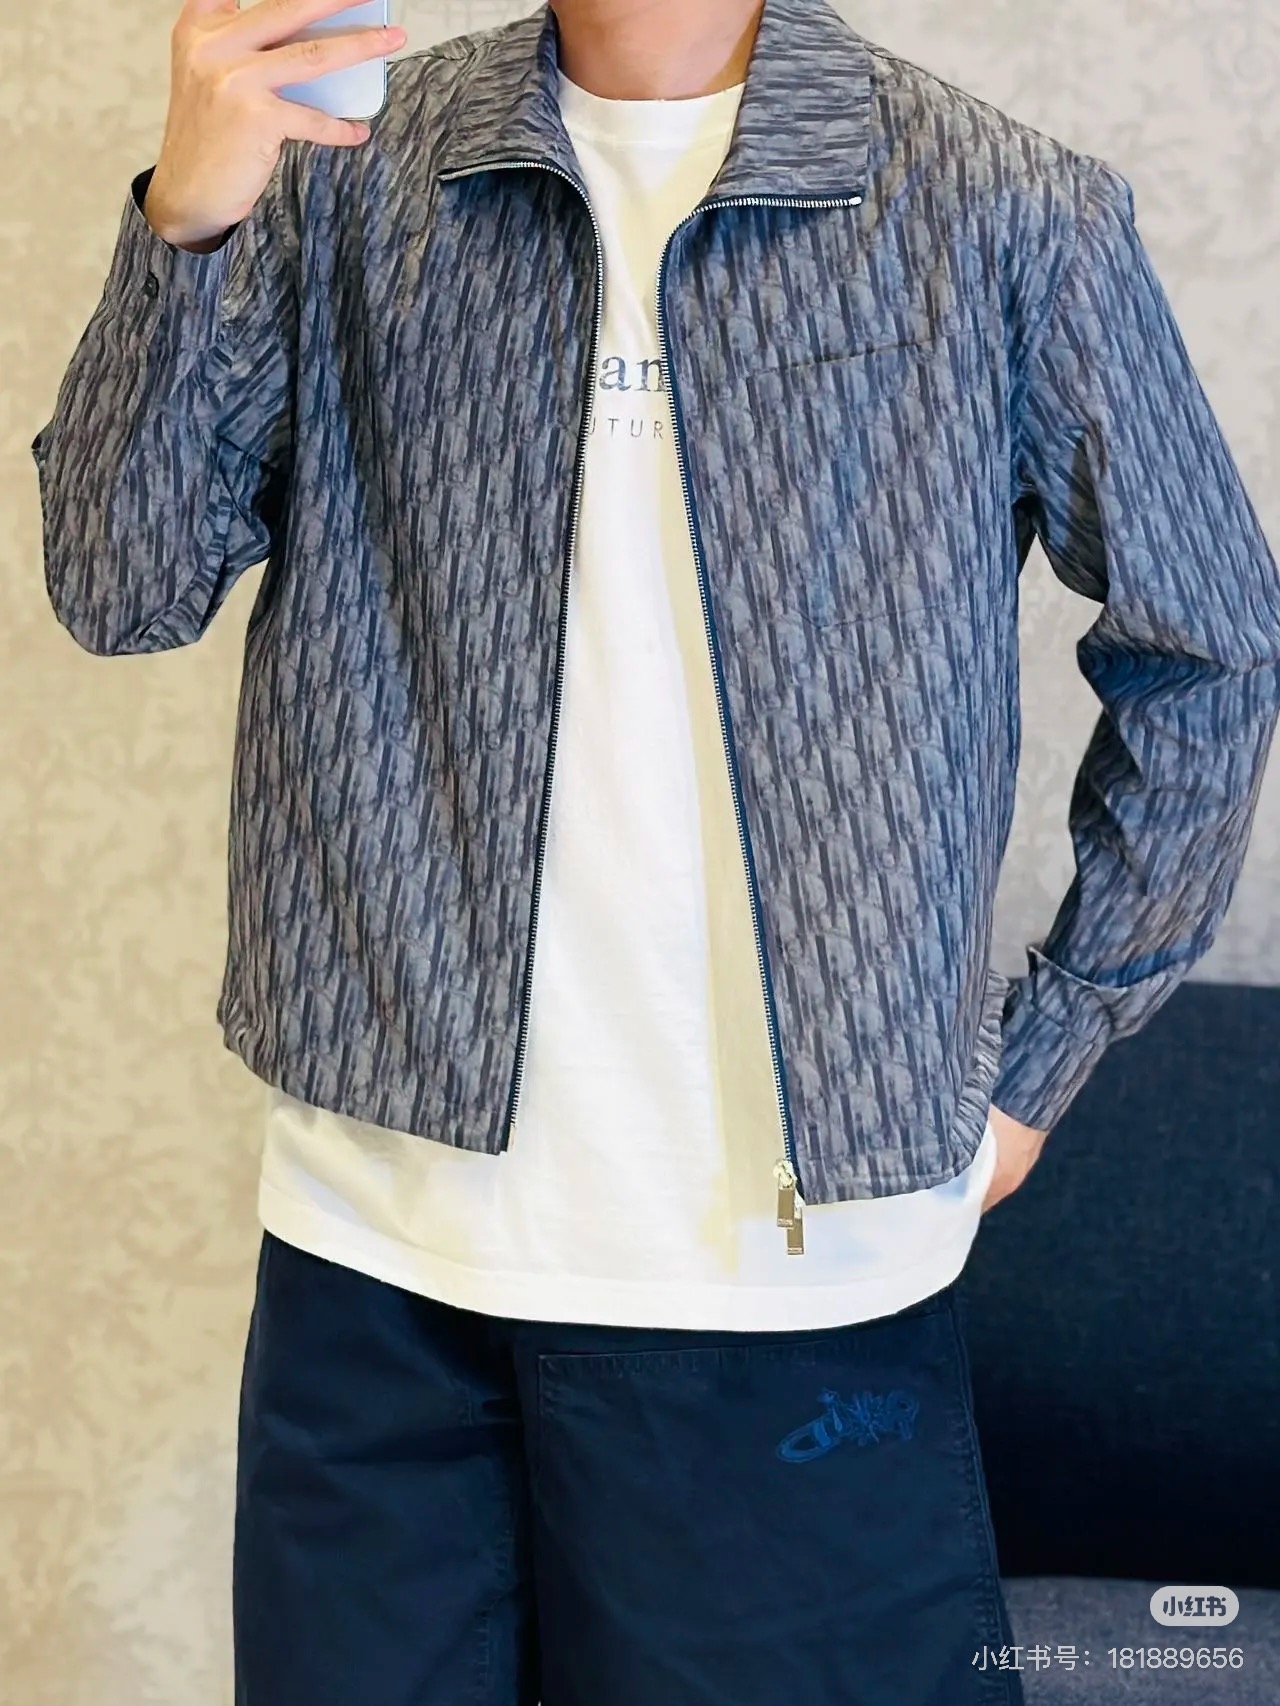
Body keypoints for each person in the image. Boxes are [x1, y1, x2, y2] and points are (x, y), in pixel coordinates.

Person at [32, 0, 1280, 1700]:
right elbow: (119, 586)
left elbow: (1212, 647)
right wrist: (188, 222)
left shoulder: (999, 205)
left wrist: (1041, 1057)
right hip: (375, 1278)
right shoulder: (350, 176)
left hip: (789, 1299)